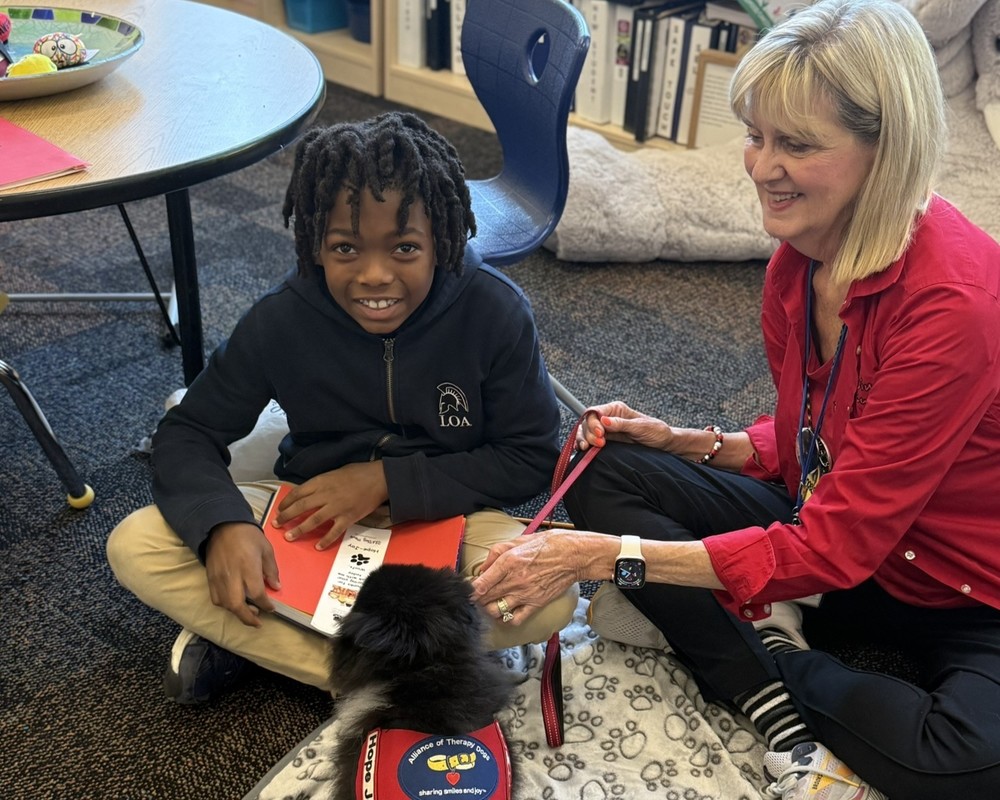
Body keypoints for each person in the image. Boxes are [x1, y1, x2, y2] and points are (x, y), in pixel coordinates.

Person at [471, 1, 1000, 798]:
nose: (759, 166)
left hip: (966, 589)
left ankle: (770, 662)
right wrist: (683, 439)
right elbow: (805, 449)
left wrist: (602, 557)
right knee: (600, 462)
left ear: (884, 151)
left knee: (962, 763)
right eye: (757, 134)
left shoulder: (954, 305)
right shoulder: (798, 262)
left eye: (797, 145)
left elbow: (836, 544)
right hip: (848, 545)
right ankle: (765, 658)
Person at [107, 111, 578, 705]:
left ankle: (268, 643)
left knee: (552, 598)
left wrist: (386, 481)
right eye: (345, 248)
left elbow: (531, 458)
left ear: (442, 241)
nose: (374, 275)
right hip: (312, 518)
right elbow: (187, 432)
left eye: (406, 247)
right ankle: (406, 675)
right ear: (314, 246)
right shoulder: (283, 318)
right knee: (135, 545)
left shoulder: (495, 313)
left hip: (447, 516)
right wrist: (222, 526)